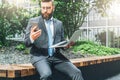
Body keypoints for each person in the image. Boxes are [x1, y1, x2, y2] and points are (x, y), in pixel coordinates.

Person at [24, 0, 84, 80]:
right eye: (43, 8)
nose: (45, 10)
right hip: (40, 56)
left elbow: (62, 43)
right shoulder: (34, 22)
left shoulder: (59, 24)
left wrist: (67, 45)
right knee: (46, 75)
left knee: (77, 72)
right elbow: (26, 43)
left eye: (48, 8)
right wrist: (31, 38)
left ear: (53, 8)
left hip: (56, 57)